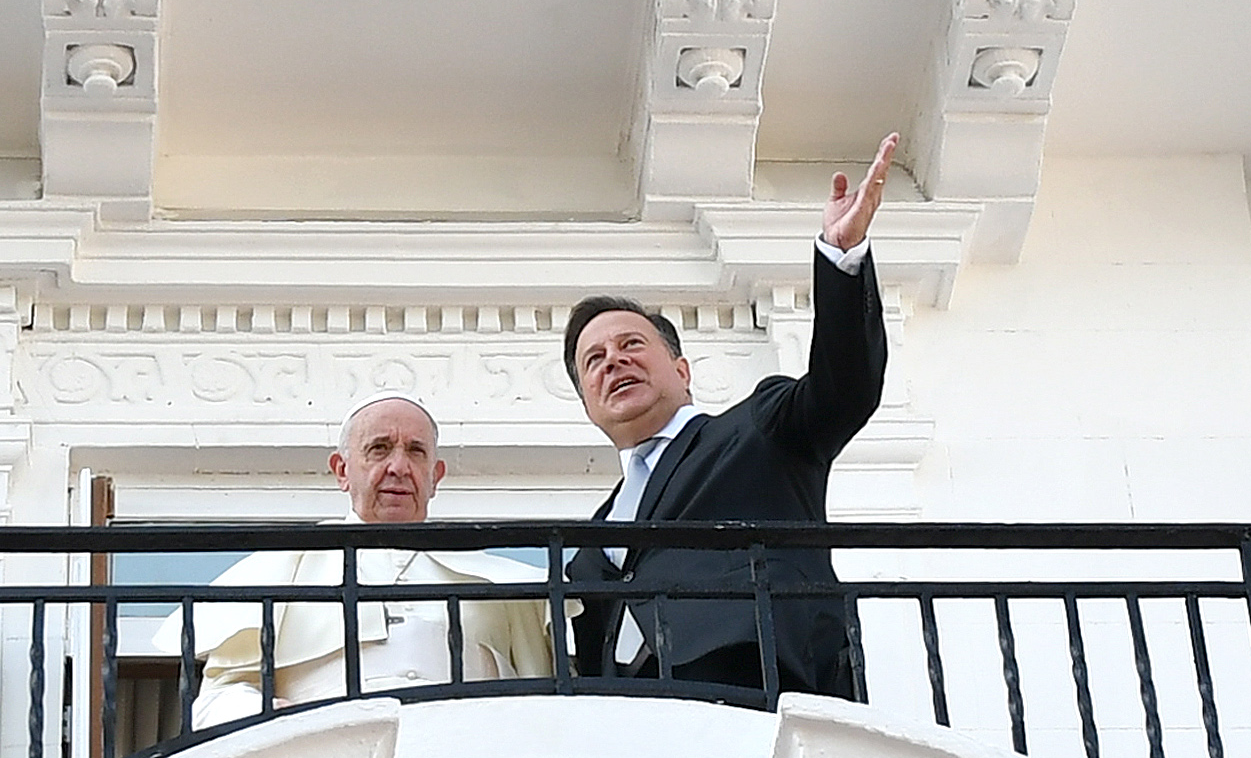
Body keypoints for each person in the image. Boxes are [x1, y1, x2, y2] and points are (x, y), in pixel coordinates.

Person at [562, 134, 897, 700]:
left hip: (756, 694)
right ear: (588, 401)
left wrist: (842, 259)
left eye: (632, 345)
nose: (613, 361)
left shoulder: (756, 430)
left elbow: (845, 388)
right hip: (636, 745)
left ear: (682, 370)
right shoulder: (592, 542)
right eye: (593, 360)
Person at [188, 394, 554, 727]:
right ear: (342, 471)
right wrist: (271, 717)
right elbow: (216, 700)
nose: (398, 466)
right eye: (379, 449)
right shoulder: (281, 572)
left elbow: (546, 698)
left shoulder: (500, 583)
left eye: (416, 451)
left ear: (435, 476)